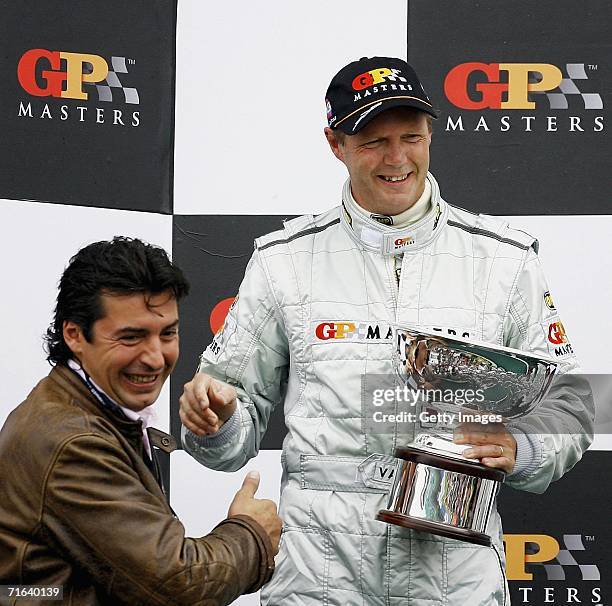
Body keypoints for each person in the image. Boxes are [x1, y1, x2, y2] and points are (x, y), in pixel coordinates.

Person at [179, 57, 594, 604]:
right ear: (336, 143)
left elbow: (571, 400)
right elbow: (230, 423)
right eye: (373, 141)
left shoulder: (504, 259)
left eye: (410, 137)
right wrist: (214, 423)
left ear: (431, 135)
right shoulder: (282, 261)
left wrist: (522, 445)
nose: (396, 159)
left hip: (452, 577)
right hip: (317, 578)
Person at [0, 237, 281, 606]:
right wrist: (252, 534)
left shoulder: (88, 411)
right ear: (74, 335)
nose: (155, 357)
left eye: (167, 333)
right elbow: (178, 586)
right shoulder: (73, 441)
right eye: (131, 337)